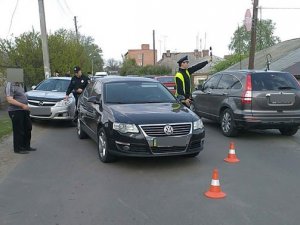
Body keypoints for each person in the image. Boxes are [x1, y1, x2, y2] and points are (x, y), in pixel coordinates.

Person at [5, 81, 36, 154]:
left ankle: (26, 146)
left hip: (24, 110)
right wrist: (22, 105)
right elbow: (9, 99)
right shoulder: (10, 84)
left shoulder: (20, 84)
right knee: (19, 130)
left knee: (28, 127)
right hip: (15, 111)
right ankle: (18, 148)